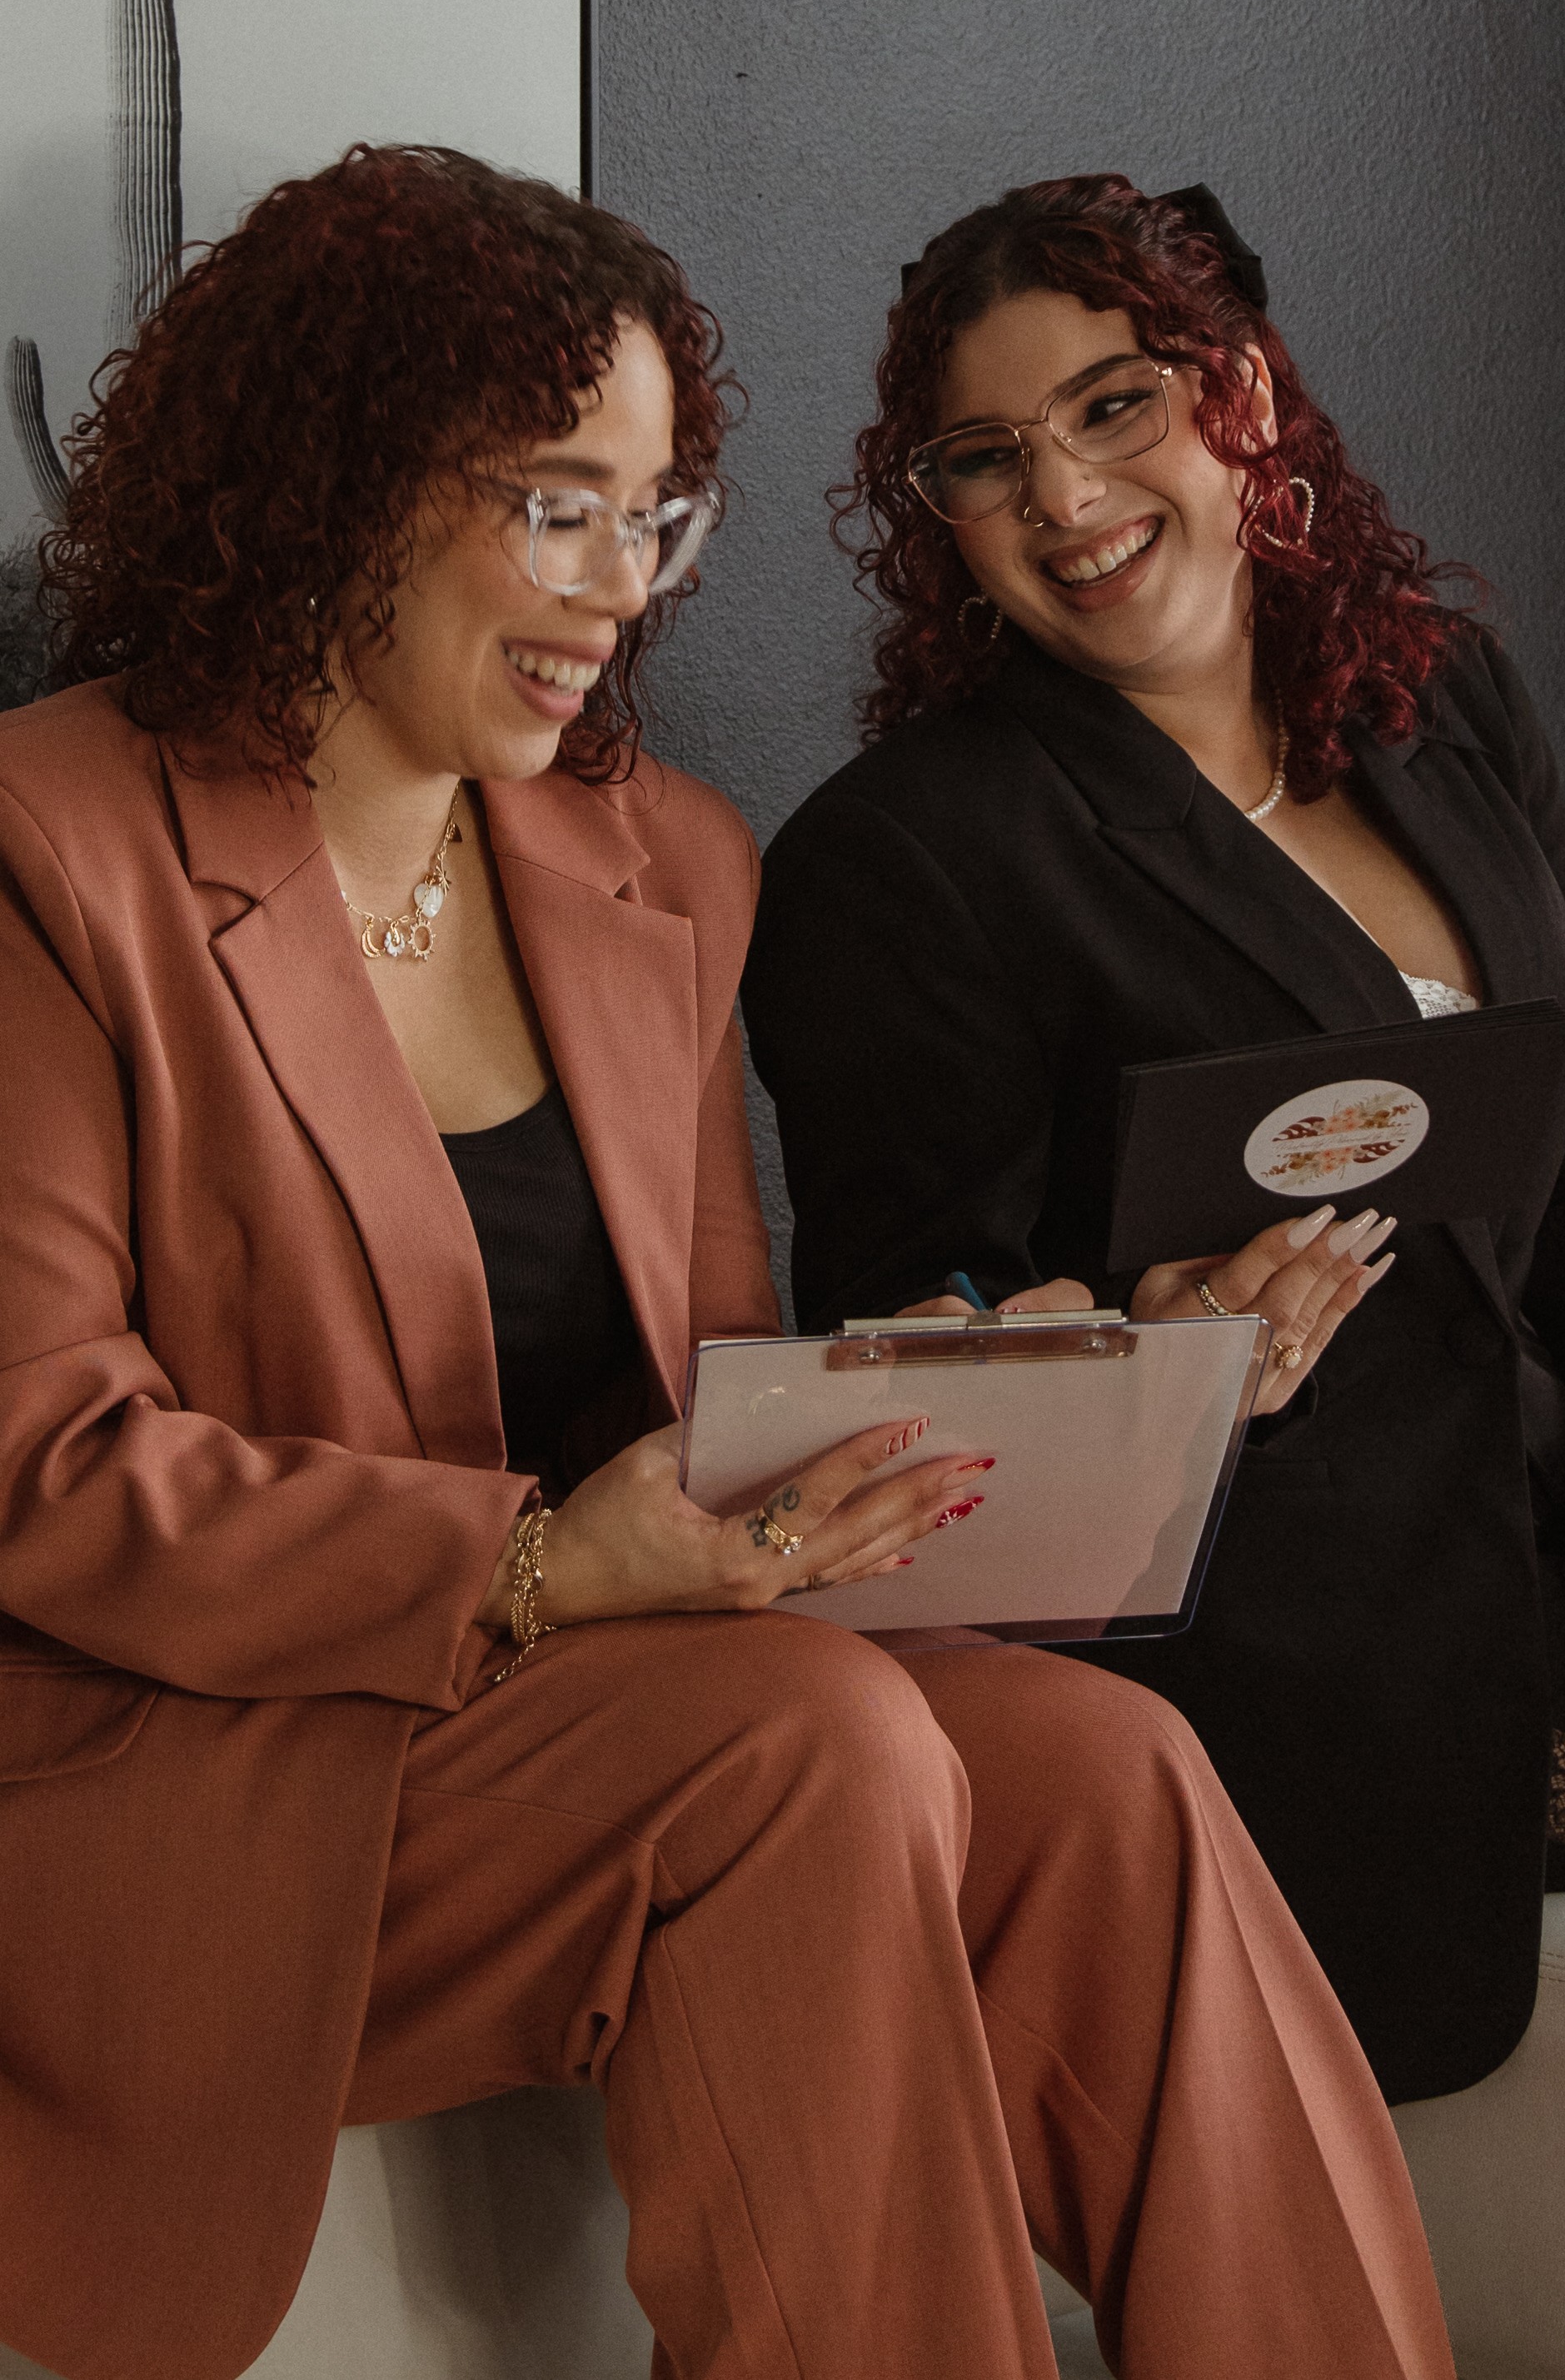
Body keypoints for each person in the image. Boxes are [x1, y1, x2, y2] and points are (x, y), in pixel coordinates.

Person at [0, 148, 1458, 2380]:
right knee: (803, 1744)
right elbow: (41, 1464)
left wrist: (1045, 1380)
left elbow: (702, 1408)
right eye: (556, 508)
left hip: (566, 1701)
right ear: (344, 482)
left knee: (1109, 1774)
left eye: (654, 515)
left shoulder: (659, 860)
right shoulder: (52, 850)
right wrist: (530, 1565)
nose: (621, 589)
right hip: (177, 1760)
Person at [742, 172, 1565, 2104]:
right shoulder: (903, 858)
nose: (1064, 494)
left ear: (1242, 394)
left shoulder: (1441, 700)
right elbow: (910, 1378)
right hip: (1289, 1668)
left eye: (1115, 405)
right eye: (986, 456)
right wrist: (1173, 1366)